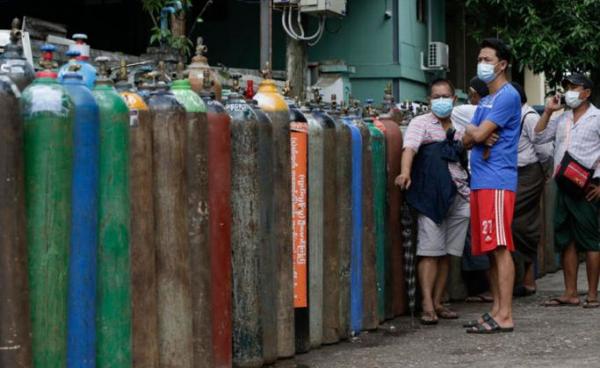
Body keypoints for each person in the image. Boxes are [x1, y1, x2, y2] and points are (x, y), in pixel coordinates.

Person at [395, 78, 470, 325]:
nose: (440, 101)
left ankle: (439, 302)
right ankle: (427, 305)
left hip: (459, 196)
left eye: (445, 96)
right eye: (435, 97)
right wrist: (405, 173)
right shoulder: (420, 124)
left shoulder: (459, 127)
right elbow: (410, 149)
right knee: (429, 252)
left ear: (454, 99)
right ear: (429, 101)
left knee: (448, 253)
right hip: (430, 196)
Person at [462, 38, 521, 334]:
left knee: (500, 247)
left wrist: (479, 134)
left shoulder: (508, 96)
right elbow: (466, 138)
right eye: (480, 58)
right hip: (481, 180)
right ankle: (496, 310)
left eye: (486, 59)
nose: (481, 63)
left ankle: (505, 314)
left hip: (497, 180)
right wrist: (477, 134)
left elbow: (479, 133)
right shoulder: (486, 99)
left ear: (502, 64)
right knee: (489, 248)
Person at [534, 73, 600, 309]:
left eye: (575, 87)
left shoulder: (597, 118)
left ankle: (592, 295)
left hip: (587, 187)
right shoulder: (562, 119)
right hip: (562, 185)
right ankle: (570, 292)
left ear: (587, 92)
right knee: (566, 239)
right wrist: (549, 111)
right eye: (567, 87)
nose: (569, 91)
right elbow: (538, 136)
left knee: (592, 240)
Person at [510, 81, 553, 297]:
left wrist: (544, 173)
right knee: (520, 224)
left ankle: (526, 278)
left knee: (518, 222)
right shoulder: (510, 115)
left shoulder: (529, 117)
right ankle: (525, 279)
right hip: (513, 173)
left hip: (529, 173)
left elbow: (544, 149)